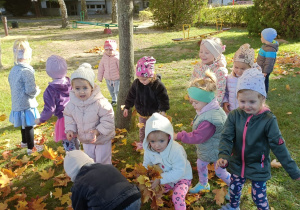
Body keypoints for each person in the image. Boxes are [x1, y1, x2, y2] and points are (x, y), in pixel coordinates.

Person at [216, 68, 300, 210]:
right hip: (237, 163)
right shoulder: (235, 115)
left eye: (252, 101)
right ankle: (233, 206)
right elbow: (226, 136)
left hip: (258, 166)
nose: (246, 106)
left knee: (258, 197)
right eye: (242, 101)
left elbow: (279, 147)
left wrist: (294, 171)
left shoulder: (268, 120)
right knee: (234, 189)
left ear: (262, 99)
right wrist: (224, 154)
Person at [174, 71, 230, 200]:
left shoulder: (209, 120)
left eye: (195, 102)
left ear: (205, 100)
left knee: (220, 171)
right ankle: (204, 184)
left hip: (217, 150)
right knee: (201, 164)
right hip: (210, 147)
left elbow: (197, 137)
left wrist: (180, 135)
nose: (193, 105)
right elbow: (202, 115)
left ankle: (234, 185)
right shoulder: (209, 107)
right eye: (191, 102)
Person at [64, 63, 115, 164]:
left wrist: (97, 131)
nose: (81, 92)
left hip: (102, 138)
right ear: (73, 89)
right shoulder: (72, 104)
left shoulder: (99, 102)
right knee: (89, 159)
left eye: (85, 88)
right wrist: (70, 129)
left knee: (102, 160)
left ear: (91, 87)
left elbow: (108, 117)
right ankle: (93, 175)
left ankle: (105, 175)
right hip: (85, 138)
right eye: (77, 88)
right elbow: (69, 116)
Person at [143, 113, 193, 210]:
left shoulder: (176, 150)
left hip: (182, 178)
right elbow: (146, 164)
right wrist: (147, 176)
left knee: (177, 197)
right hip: (164, 178)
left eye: (161, 141)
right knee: (154, 192)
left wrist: (160, 180)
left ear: (168, 137)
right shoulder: (149, 151)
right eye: (152, 141)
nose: (157, 145)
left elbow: (179, 171)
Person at [64, 150, 141, 210]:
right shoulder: (107, 166)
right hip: (134, 198)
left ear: (72, 173)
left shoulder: (79, 184)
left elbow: (78, 207)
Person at [35, 55, 79, 151]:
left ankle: (74, 160)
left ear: (47, 72)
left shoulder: (50, 90)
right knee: (75, 138)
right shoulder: (71, 82)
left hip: (64, 119)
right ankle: (79, 156)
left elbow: (49, 109)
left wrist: (41, 119)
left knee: (69, 143)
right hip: (77, 115)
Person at [123, 56, 169, 147]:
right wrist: (127, 107)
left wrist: (163, 110)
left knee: (154, 128)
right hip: (142, 112)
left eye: (144, 79)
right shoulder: (137, 83)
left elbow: (163, 98)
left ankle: (155, 143)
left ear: (151, 76)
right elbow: (131, 95)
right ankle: (143, 143)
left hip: (154, 113)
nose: (142, 81)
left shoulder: (157, 85)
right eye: (139, 79)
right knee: (142, 128)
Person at [8, 39, 43, 155]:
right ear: (28, 55)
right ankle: (31, 148)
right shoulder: (27, 71)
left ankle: (24, 142)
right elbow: (30, 91)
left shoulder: (14, 69)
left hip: (17, 102)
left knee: (23, 123)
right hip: (26, 103)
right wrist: (36, 91)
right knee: (29, 125)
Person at [223, 44, 261, 113]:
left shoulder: (252, 80)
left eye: (243, 68)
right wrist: (225, 102)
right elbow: (225, 92)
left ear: (250, 68)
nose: (239, 71)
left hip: (246, 111)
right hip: (231, 110)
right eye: (236, 67)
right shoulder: (229, 78)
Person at [192, 37, 228, 105]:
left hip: (213, 106)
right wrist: (192, 95)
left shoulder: (220, 71)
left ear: (216, 54)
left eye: (206, 52)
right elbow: (193, 80)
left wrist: (214, 106)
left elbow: (220, 91)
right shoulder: (198, 67)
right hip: (199, 102)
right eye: (201, 51)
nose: (202, 54)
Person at [97, 39, 120, 106]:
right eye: (106, 50)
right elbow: (101, 68)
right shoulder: (104, 58)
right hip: (108, 78)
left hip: (116, 78)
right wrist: (100, 77)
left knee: (117, 91)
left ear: (115, 49)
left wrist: (122, 77)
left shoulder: (117, 58)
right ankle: (114, 100)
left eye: (111, 50)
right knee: (111, 91)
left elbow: (120, 68)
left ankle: (119, 100)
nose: (108, 51)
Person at [257, 28, 279, 94]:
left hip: (264, 70)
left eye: (261, 37)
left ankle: (264, 94)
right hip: (261, 68)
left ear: (266, 38)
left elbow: (269, 62)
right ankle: (260, 91)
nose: (261, 38)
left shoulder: (270, 49)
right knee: (261, 81)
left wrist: (265, 72)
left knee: (264, 82)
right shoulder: (266, 46)